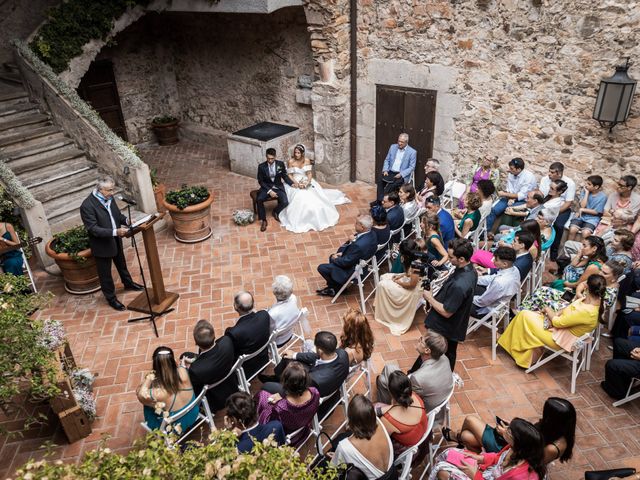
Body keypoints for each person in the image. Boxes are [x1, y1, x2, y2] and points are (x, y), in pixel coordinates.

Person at [498, 274, 605, 369]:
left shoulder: (587, 311)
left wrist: (548, 310)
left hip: (560, 340)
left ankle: (516, 350)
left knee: (524, 315)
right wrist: (552, 314)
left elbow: (558, 322)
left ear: (587, 287)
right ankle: (522, 353)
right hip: (560, 329)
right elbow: (569, 308)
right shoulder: (593, 300)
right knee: (527, 315)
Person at [444, 397, 575, 465]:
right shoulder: (553, 429)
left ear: (553, 419)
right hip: (511, 444)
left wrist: (507, 435)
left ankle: (456, 437)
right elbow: (530, 435)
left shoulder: (554, 448)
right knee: (468, 436)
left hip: (509, 451)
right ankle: (465, 442)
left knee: (470, 420)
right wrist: (513, 428)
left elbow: (527, 460)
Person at [79, 176, 143, 310]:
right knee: (105, 274)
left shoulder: (109, 198)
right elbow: (93, 229)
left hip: (116, 238)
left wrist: (126, 221)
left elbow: (117, 216)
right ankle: (111, 298)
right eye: (109, 190)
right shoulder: (87, 206)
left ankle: (128, 283)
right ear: (100, 190)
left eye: (113, 189)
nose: (112, 192)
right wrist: (115, 232)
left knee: (122, 264)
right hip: (102, 244)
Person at [430, 417, 546, 480]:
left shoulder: (518, 476)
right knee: (450, 453)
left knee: (443, 473)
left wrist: (474, 474)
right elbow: (497, 457)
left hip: (482, 476)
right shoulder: (513, 447)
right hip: (487, 472)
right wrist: (479, 458)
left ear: (518, 442)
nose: (504, 429)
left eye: (509, 430)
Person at [424, 238, 478, 370]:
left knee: (432, 352)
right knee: (450, 352)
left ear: (461, 259)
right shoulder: (471, 270)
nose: (448, 258)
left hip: (445, 326)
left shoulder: (460, 285)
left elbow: (447, 312)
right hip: (455, 323)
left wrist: (430, 298)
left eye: (451, 256)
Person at [279, 144, 349, 233]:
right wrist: (296, 183)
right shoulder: (291, 161)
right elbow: (289, 175)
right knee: (300, 196)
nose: (296, 154)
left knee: (314, 195)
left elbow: (309, 173)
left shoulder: (307, 160)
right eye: (295, 152)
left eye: (298, 153)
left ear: (302, 153)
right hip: (295, 181)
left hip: (305, 180)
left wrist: (308, 182)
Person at [378, 331, 453, 413]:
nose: (419, 340)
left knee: (382, 379)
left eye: (421, 340)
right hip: (438, 399)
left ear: (427, 350)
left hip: (421, 410)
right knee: (387, 372)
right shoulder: (445, 358)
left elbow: (405, 396)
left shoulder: (418, 378)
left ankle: (387, 410)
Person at [262, 331, 350, 398]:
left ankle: (282, 381)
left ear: (320, 350)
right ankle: (278, 377)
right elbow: (316, 356)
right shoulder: (342, 354)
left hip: (307, 391)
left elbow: (299, 392)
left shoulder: (314, 379)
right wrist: (294, 355)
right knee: (288, 358)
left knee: (267, 386)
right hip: (324, 378)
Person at [520, 259, 623, 315]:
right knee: (542, 290)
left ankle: (526, 317)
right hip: (573, 299)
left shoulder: (609, 295)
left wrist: (577, 299)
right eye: (601, 270)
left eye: (604, 273)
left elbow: (590, 311)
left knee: (543, 301)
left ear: (613, 279)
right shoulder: (599, 280)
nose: (600, 273)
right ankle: (521, 313)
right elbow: (582, 284)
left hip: (575, 311)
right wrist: (578, 294)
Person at [255, 361, 320, 447]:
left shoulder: (281, 407)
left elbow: (273, 422)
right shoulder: (315, 393)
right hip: (302, 424)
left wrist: (275, 402)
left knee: (262, 395)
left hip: (287, 432)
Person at [330, 394, 394, 480]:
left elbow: (333, 469)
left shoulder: (344, 447)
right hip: (393, 473)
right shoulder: (379, 422)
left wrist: (338, 455)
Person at [136, 346, 198, 432]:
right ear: (172, 360)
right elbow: (182, 367)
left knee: (148, 405)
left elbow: (140, 394)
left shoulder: (158, 393)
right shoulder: (183, 373)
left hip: (176, 426)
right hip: (193, 413)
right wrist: (182, 364)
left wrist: (151, 375)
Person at [317, 214, 378, 297]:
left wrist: (335, 258)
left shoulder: (359, 245)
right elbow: (356, 252)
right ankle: (334, 285)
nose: (354, 224)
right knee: (336, 255)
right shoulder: (372, 233)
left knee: (323, 267)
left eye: (356, 223)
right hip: (361, 261)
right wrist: (344, 252)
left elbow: (346, 262)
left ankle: (336, 288)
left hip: (352, 270)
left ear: (362, 227)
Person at [186, 320, 238, 412]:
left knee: (185, 356)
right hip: (232, 386)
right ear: (214, 336)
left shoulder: (196, 370)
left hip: (215, 400)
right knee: (186, 354)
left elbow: (194, 388)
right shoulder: (227, 341)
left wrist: (185, 369)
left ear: (196, 343)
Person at [376, 371, 428, 454]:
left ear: (391, 393)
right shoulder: (416, 397)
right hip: (421, 437)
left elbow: (381, 440)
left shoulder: (388, 419)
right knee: (378, 407)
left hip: (407, 450)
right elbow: (401, 407)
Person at [374, 253, 423, 335]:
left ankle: (387, 314)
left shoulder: (417, 264)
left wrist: (398, 282)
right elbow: (409, 274)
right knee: (384, 276)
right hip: (407, 281)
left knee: (381, 284)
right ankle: (382, 308)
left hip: (411, 291)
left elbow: (412, 285)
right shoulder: (411, 260)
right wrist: (401, 276)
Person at [225, 291, 271, 377]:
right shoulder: (264, 315)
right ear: (253, 304)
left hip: (247, 370)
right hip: (263, 360)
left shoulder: (234, 332)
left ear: (235, 307)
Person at [486, 158, 538, 232]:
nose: (509, 170)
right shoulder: (511, 173)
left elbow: (522, 195)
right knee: (494, 209)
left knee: (509, 210)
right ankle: (485, 233)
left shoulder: (529, 177)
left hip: (523, 200)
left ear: (519, 169)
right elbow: (509, 189)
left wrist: (504, 194)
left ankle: (499, 235)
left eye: (512, 168)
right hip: (510, 196)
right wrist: (509, 197)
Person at [538, 163, 576, 259]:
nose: (549, 174)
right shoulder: (545, 179)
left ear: (559, 173)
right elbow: (541, 195)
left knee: (558, 225)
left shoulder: (570, 183)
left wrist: (553, 212)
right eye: (549, 171)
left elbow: (568, 203)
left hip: (562, 208)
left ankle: (553, 254)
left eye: (552, 172)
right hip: (547, 204)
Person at [470, 246, 520, 318]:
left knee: (460, 298)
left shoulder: (499, 282)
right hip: (498, 301)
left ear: (505, 264)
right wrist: (475, 279)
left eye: (496, 260)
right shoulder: (514, 269)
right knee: (470, 287)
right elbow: (492, 278)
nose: (493, 261)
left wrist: (471, 298)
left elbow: (482, 302)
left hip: (487, 310)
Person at [256, 148, 293, 232]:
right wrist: (269, 191)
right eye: (268, 158)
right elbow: (260, 181)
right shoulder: (261, 166)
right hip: (266, 187)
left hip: (278, 186)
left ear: (275, 157)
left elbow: (284, 176)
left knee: (285, 202)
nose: (270, 160)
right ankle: (263, 220)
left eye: (272, 158)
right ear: (266, 157)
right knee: (259, 199)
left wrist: (291, 183)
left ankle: (275, 211)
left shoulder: (280, 164)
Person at [376, 133, 417, 202]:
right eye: (399, 141)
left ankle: (383, 202)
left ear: (406, 142)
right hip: (390, 171)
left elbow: (412, 167)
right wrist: (385, 170)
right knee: (380, 180)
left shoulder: (412, 152)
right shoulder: (393, 147)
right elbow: (387, 160)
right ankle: (380, 201)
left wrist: (401, 174)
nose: (399, 143)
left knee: (390, 187)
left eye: (402, 142)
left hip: (401, 174)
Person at [567, 175, 607, 241]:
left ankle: (581, 249)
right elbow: (582, 205)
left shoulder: (603, 197)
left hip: (593, 218)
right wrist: (587, 193)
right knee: (572, 230)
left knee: (585, 233)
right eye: (586, 183)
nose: (586, 185)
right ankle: (568, 248)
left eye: (589, 184)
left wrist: (582, 210)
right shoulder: (585, 191)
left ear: (596, 187)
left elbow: (596, 212)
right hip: (581, 215)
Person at [267, 275, 302, 347]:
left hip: (278, 341)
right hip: (289, 333)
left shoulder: (272, 313)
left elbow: (269, 331)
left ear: (274, 292)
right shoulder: (293, 298)